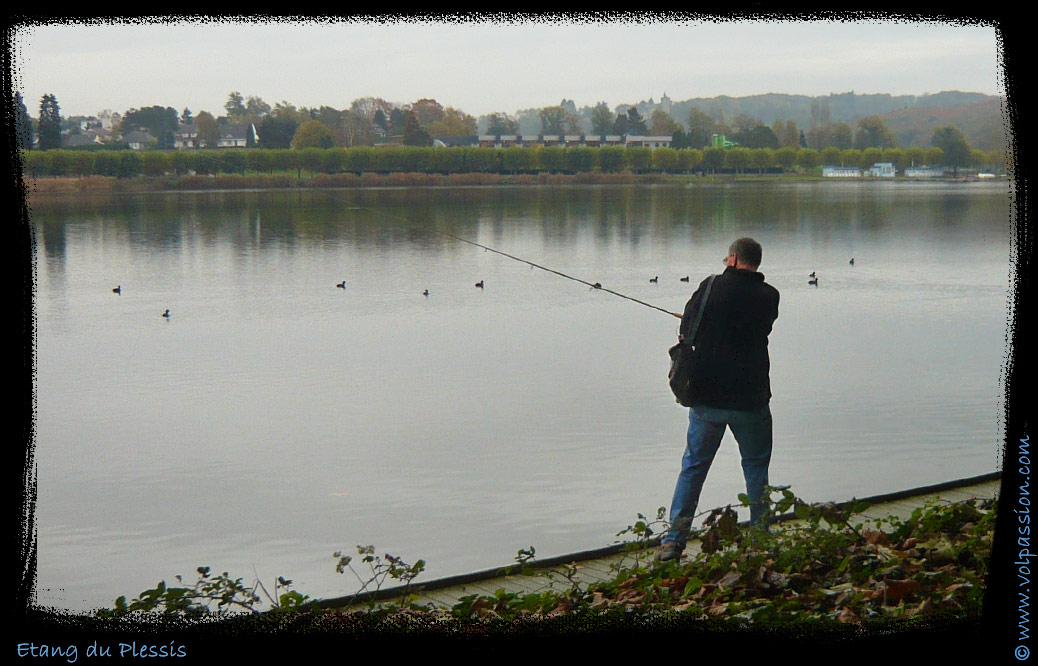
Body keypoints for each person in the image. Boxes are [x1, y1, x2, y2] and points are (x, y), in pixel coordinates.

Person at [656, 237, 780, 562]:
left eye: (727, 257)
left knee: (693, 468)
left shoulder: (710, 286)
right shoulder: (770, 296)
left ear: (734, 258)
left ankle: (673, 542)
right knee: (755, 469)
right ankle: (761, 540)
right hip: (751, 399)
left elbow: (687, 329)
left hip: (707, 397)